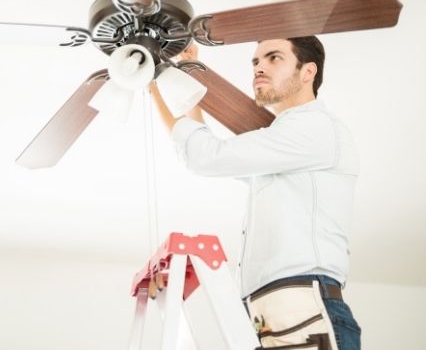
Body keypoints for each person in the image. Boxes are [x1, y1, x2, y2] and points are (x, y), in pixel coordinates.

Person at [150, 37, 362, 350]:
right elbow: (210, 155)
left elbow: (206, 157)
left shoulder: (315, 129)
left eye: (274, 57)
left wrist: (153, 85)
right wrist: (180, 83)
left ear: (308, 72)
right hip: (277, 317)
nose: (259, 67)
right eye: (255, 61)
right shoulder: (285, 145)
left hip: (304, 311)